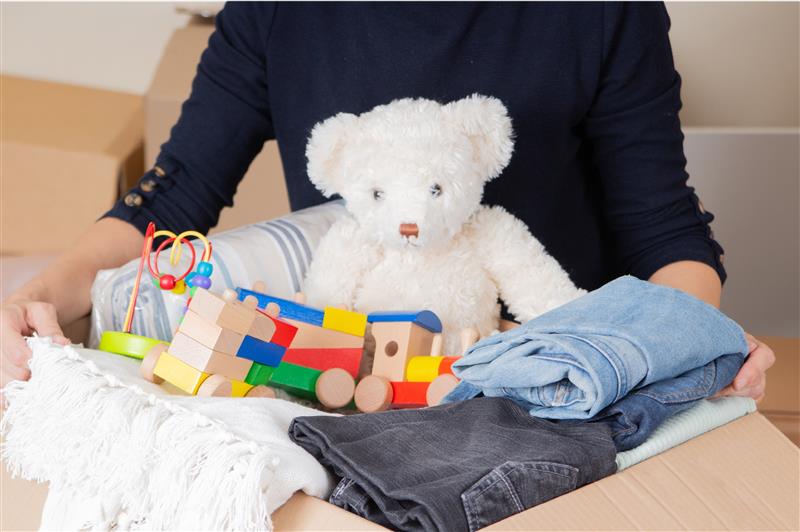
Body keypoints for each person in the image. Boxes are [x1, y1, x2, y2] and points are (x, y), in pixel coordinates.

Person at [1, 2, 773, 397]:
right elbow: (170, 199)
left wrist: (676, 341)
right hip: (353, 383)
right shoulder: (277, 8)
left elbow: (667, 233)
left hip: (554, 380)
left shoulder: (604, 9)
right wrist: (33, 297)